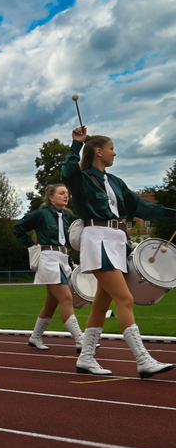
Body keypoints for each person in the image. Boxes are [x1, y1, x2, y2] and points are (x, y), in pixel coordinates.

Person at [61, 126, 174, 378]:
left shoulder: (115, 182)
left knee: (101, 305)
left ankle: (86, 358)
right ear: (99, 151)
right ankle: (143, 360)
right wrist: (76, 144)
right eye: (111, 148)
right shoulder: (81, 178)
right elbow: (67, 171)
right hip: (98, 239)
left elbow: (144, 208)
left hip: (117, 241)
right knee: (125, 299)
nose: (115, 153)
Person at [13, 183, 85, 351]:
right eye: (61, 193)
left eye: (67, 193)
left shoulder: (68, 215)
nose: (66, 196)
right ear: (51, 198)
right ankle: (82, 341)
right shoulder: (41, 214)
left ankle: (35, 337)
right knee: (67, 298)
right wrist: (32, 245)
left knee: (52, 303)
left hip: (63, 258)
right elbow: (18, 228)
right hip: (48, 258)